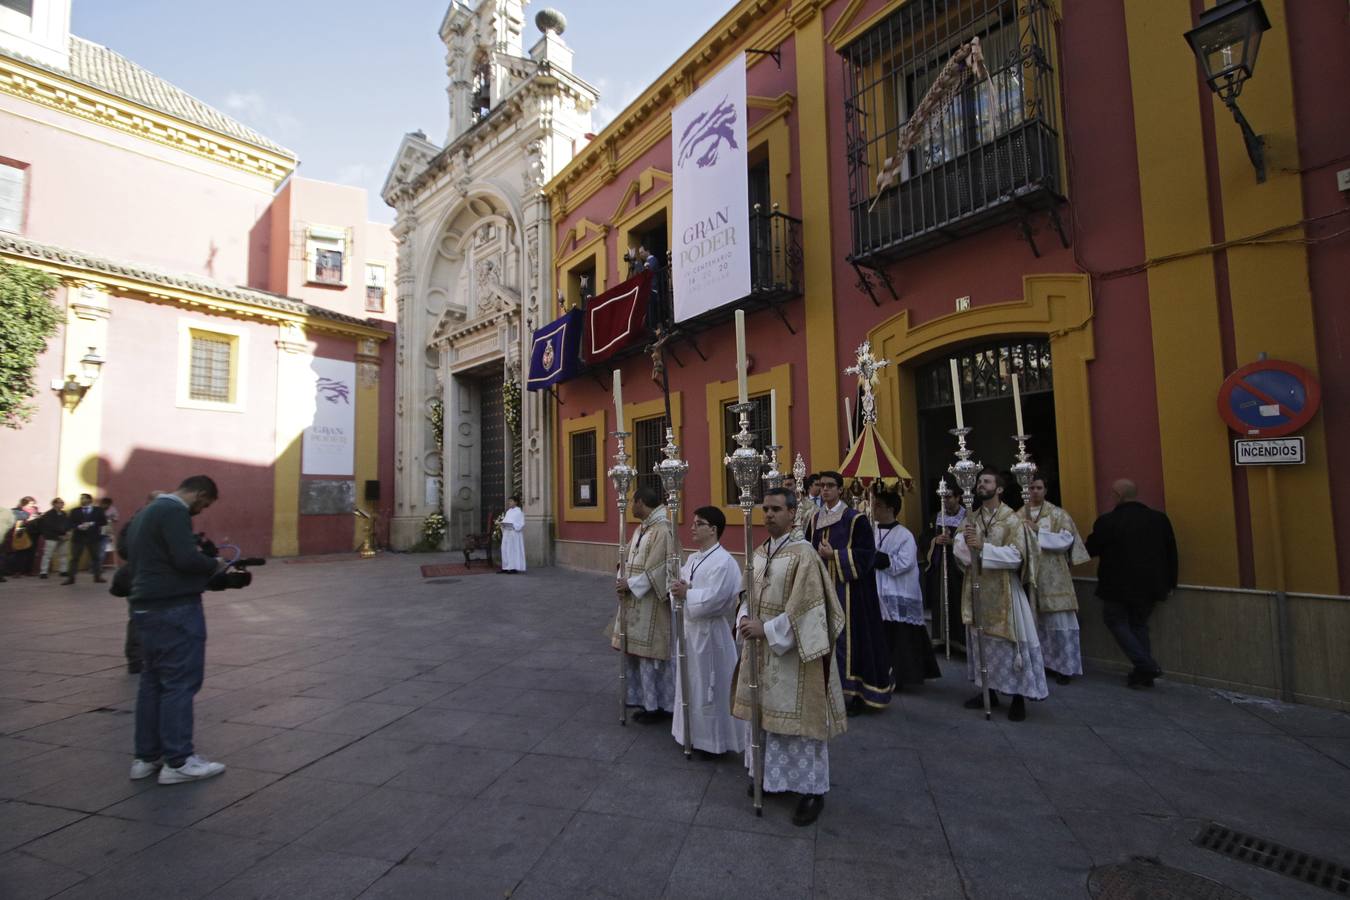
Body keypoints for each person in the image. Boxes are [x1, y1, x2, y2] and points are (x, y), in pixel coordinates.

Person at [734, 487, 846, 827]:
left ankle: (811, 791)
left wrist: (766, 629)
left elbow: (809, 611)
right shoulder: (760, 552)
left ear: (793, 513)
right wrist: (742, 617)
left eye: (776, 509)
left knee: (799, 725)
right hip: (760, 649)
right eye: (765, 509)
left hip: (794, 655)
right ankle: (771, 778)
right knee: (766, 717)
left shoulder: (804, 555)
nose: (768, 515)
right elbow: (747, 593)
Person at [125, 475, 228, 784]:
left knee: (152, 682)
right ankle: (179, 761)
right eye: (203, 504)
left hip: (145, 605)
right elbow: (185, 559)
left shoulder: (146, 512)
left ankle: (146, 757)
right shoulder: (173, 511)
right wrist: (214, 564)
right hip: (174, 608)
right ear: (198, 493)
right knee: (180, 682)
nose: (199, 511)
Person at [953, 468, 1048, 721]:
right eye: (979, 482)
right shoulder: (972, 517)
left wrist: (983, 549)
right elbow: (958, 545)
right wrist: (965, 549)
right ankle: (989, 690)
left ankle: (1018, 697)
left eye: (986, 482)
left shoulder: (1012, 520)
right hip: (977, 587)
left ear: (1000, 488)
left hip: (1006, 588)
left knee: (1010, 643)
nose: (980, 485)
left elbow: (1019, 556)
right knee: (980, 640)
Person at [805, 470, 892, 715]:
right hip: (822, 589)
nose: (825, 490)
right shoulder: (814, 519)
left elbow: (867, 556)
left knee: (848, 641)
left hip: (850, 593)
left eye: (830, 486)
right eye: (822, 486)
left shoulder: (854, 519)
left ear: (840, 490)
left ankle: (850, 692)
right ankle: (824, 688)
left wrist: (836, 555)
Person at [1085, 478, 1178, 688]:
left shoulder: (1108, 522)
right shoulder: (1159, 519)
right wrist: (1171, 582)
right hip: (1152, 585)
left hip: (1117, 586)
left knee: (1115, 621)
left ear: (1117, 496)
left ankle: (1146, 665)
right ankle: (1142, 674)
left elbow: (1091, 549)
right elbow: (1171, 552)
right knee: (1138, 625)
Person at [669, 506, 744, 758]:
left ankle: (712, 742)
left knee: (710, 685)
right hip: (690, 631)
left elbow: (716, 599)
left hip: (710, 633)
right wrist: (679, 590)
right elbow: (678, 585)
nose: (692, 527)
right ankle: (688, 732)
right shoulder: (693, 558)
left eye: (698, 523)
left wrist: (687, 593)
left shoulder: (724, 562)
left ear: (713, 529)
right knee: (691, 683)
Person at [612, 483, 677, 723]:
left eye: (632, 502)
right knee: (636, 654)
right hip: (634, 602)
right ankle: (640, 698)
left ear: (641, 502)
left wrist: (630, 584)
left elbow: (660, 569)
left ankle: (658, 705)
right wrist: (621, 574)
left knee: (651, 657)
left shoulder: (663, 530)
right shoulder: (642, 529)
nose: (630, 506)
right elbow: (627, 555)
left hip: (651, 604)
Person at [1019, 474, 1089, 685]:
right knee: (1034, 622)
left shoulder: (1058, 514)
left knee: (1059, 622)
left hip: (1055, 576)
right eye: (1031, 488)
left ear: (1046, 490)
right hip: (1030, 576)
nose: (1034, 492)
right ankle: (1042, 663)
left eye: (1039, 487)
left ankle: (1065, 668)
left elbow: (1066, 540)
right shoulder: (1019, 514)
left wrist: (1038, 531)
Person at [872, 490, 941, 690]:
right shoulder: (871, 530)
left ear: (890, 509)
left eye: (878, 505)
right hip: (878, 591)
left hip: (898, 591)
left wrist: (877, 558)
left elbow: (905, 563)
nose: (874, 509)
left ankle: (903, 675)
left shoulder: (905, 535)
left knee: (902, 636)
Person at [116, 491, 163, 674]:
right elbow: (124, 549)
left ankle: (148, 656)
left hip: (153, 576)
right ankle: (136, 658)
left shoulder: (148, 523)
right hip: (140, 576)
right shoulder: (137, 523)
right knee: (139, 616)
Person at [919, 482, 966, 652]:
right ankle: (941, 639)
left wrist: (953, 542)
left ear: (958, 497)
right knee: (940, 599)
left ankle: (961, 641)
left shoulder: (967, 517)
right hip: (940, 568)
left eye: (949, 497)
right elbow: (924, 539)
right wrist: (935, 541)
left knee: (958, 601)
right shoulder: (936, 518)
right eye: (943, 497)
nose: (945, 501)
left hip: (959, 568)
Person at [64, 493, 107, 584]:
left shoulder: (98, 510)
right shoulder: (75, 511)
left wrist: (92, 523)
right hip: (78, 538)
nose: (81, 500)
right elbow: (70, 523)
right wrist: (79, 526)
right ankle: (71, 578)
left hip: (94, 537)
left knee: (96, 558)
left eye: (83, 498)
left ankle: (97, 576)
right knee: (74, 558)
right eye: (81, 498)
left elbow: (103, 522)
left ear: (89, 500)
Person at [33, 498, 70, 579]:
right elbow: (49, 527)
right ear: (54, 504)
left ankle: (63, 571)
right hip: (52, 537)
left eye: (63, 502)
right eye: (60, 503)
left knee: (63, 554)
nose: (62, 504)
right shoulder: (48, 514)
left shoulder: (64, 514)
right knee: (47, 555)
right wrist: (59, 535)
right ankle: (43, 572)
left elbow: (68, 524)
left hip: (63, 537)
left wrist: (67, 532)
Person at [498, 494, 526, 573]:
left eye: (511, 501)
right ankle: (505, 567)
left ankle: (513, 567)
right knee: (505, 549)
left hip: (514, 534)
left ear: (516, 502)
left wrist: (514, 526)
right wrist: (502, 524)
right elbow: (505, 521)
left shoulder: (519, 512)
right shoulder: (508, 512)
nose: (509, 503)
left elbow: (521, 523)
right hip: (507, 533)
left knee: (513, 550)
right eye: (508, 501)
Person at [99, 497, 120, 570]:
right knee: (95, 549)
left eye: (107, 505)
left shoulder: (112, 509)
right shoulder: (97, 509)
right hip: (97, 530)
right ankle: (95, 566)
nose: (105, 506)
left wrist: (110, 518)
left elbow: (116, 518)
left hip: (107, 530)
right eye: (104, 504)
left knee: (102, 548)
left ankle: (98, 567)